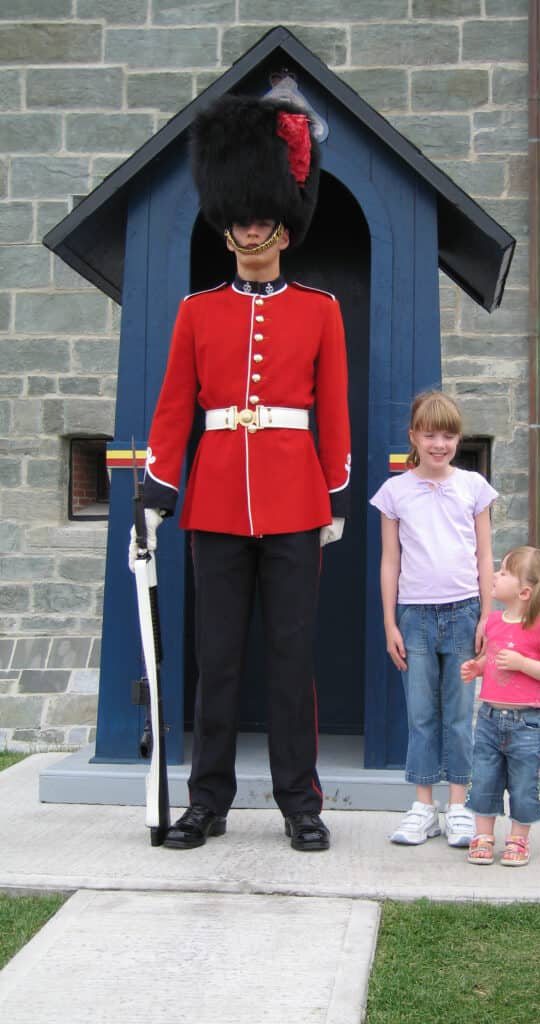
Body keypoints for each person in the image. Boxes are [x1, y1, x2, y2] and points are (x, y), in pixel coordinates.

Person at [128, 94, 351, 853]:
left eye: (264, 216)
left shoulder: (321, 310)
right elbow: (172, 409)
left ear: (283, 223)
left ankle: (300, 803)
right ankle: (207, 802)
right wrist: (159, 486)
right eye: (243, 217)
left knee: (292, 664)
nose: (253, 227)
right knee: (216, 664)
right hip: (216, 505)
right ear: (227, 223)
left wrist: (335, 492)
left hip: (294, 504)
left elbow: (335, 411)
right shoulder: (197, 311)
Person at [370, 391, 497, 847]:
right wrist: (390, 623)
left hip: (464, 614)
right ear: (414, 437)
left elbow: (485, 556)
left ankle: (458, 805)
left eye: (448, 435)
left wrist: (487, 615)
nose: (439, 444)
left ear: (458, 439)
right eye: (430, 435)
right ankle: (423, 805)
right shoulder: (394, 492)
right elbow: (390, 561)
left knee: (459, 714)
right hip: (415, 618)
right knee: (421, 714)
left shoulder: (473, 487)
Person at [460, 546, 540, 867]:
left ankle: (518, 839)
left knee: (523, 783)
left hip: (528, 723)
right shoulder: (493, 623)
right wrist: (479, 667)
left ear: (524, 591)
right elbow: (492, 657)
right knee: (484, 778)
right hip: (491, 718)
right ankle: (483, 835)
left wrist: (523, 663)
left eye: (504, 572)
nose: (495, 575)